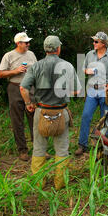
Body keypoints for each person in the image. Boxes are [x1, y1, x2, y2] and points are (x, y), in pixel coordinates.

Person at [20, 35, 81, 190]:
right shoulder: (67, 66)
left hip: (41, 111)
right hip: (60, 112)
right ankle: (59, 184)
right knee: (62, 150)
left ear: (45, 49)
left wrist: (28, 103)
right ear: (58, 49)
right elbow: (77, 91)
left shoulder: (36, 66)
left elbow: (23, 88)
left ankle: (39, 183)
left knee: (39, 148)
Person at [0, 32, 37, 161]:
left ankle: (38, 149)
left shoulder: (31, 54)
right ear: (18, 43)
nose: (28, 44)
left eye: (28, 42)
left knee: (34, 119)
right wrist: (15, 71)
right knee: (17, 120)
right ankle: (22, 150)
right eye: (26, 43)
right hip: (15, 87)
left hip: (30, 88)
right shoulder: (9, 56)